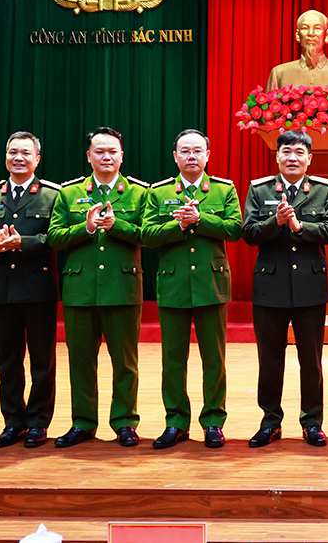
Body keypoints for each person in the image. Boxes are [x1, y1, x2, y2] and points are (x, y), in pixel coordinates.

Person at [47, 127, 149, 448]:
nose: (106, 157)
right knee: (80, 360)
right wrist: (86, 226)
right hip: (80, 290)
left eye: (112, 152)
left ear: (122, 156)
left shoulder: (139, 193)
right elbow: (55, 237)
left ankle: (124, 422)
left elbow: (149, 234)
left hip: (122, 287)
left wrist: (117, 226)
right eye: (99, 152)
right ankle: (83, 422)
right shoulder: (68, 193)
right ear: (88, 156)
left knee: (125, 362)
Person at [141, 129, 242, 449]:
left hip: (211, 284)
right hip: (173, 285)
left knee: (214, 359)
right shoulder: (158, 193)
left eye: (198, 151)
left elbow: (235, 228)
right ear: (175, 156)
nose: (191, 157)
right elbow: (147, 234)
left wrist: (200, 219)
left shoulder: (223, 190)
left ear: (208, 155)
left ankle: (213, 421)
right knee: (173, 360)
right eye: (185, 151)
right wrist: (179, 226)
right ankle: (176, 421)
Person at [242, 130, 328, 448]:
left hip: (310, 287)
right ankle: (270, 421)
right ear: (277, 157)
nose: (293, 157)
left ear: (310, 158)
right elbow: (249, 233)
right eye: (287, 152)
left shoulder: (323, 190)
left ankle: (312, 422)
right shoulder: (259, 189)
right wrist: (277, 223)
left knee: (310, 360)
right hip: (270, 287)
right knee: (270, 360)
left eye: (300, 152)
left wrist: (300, 227)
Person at [0, 132, 61, 448]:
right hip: (2, 290)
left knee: (42, 361)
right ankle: (12, 422)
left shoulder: (52, 196)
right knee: (7, 360)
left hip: (37, 289)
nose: (18, 158)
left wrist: (22, 242)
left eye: (25, 152)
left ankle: (38, 423)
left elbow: (57, 238)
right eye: (12, 152)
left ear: (37, 158)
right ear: (5, 157)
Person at [266, 10, 328, 90]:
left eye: (317, 28)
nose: (311, 33)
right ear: (298, 36)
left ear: (327, 35)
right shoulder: (279, 73)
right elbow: (268, 111)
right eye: (305, 28)